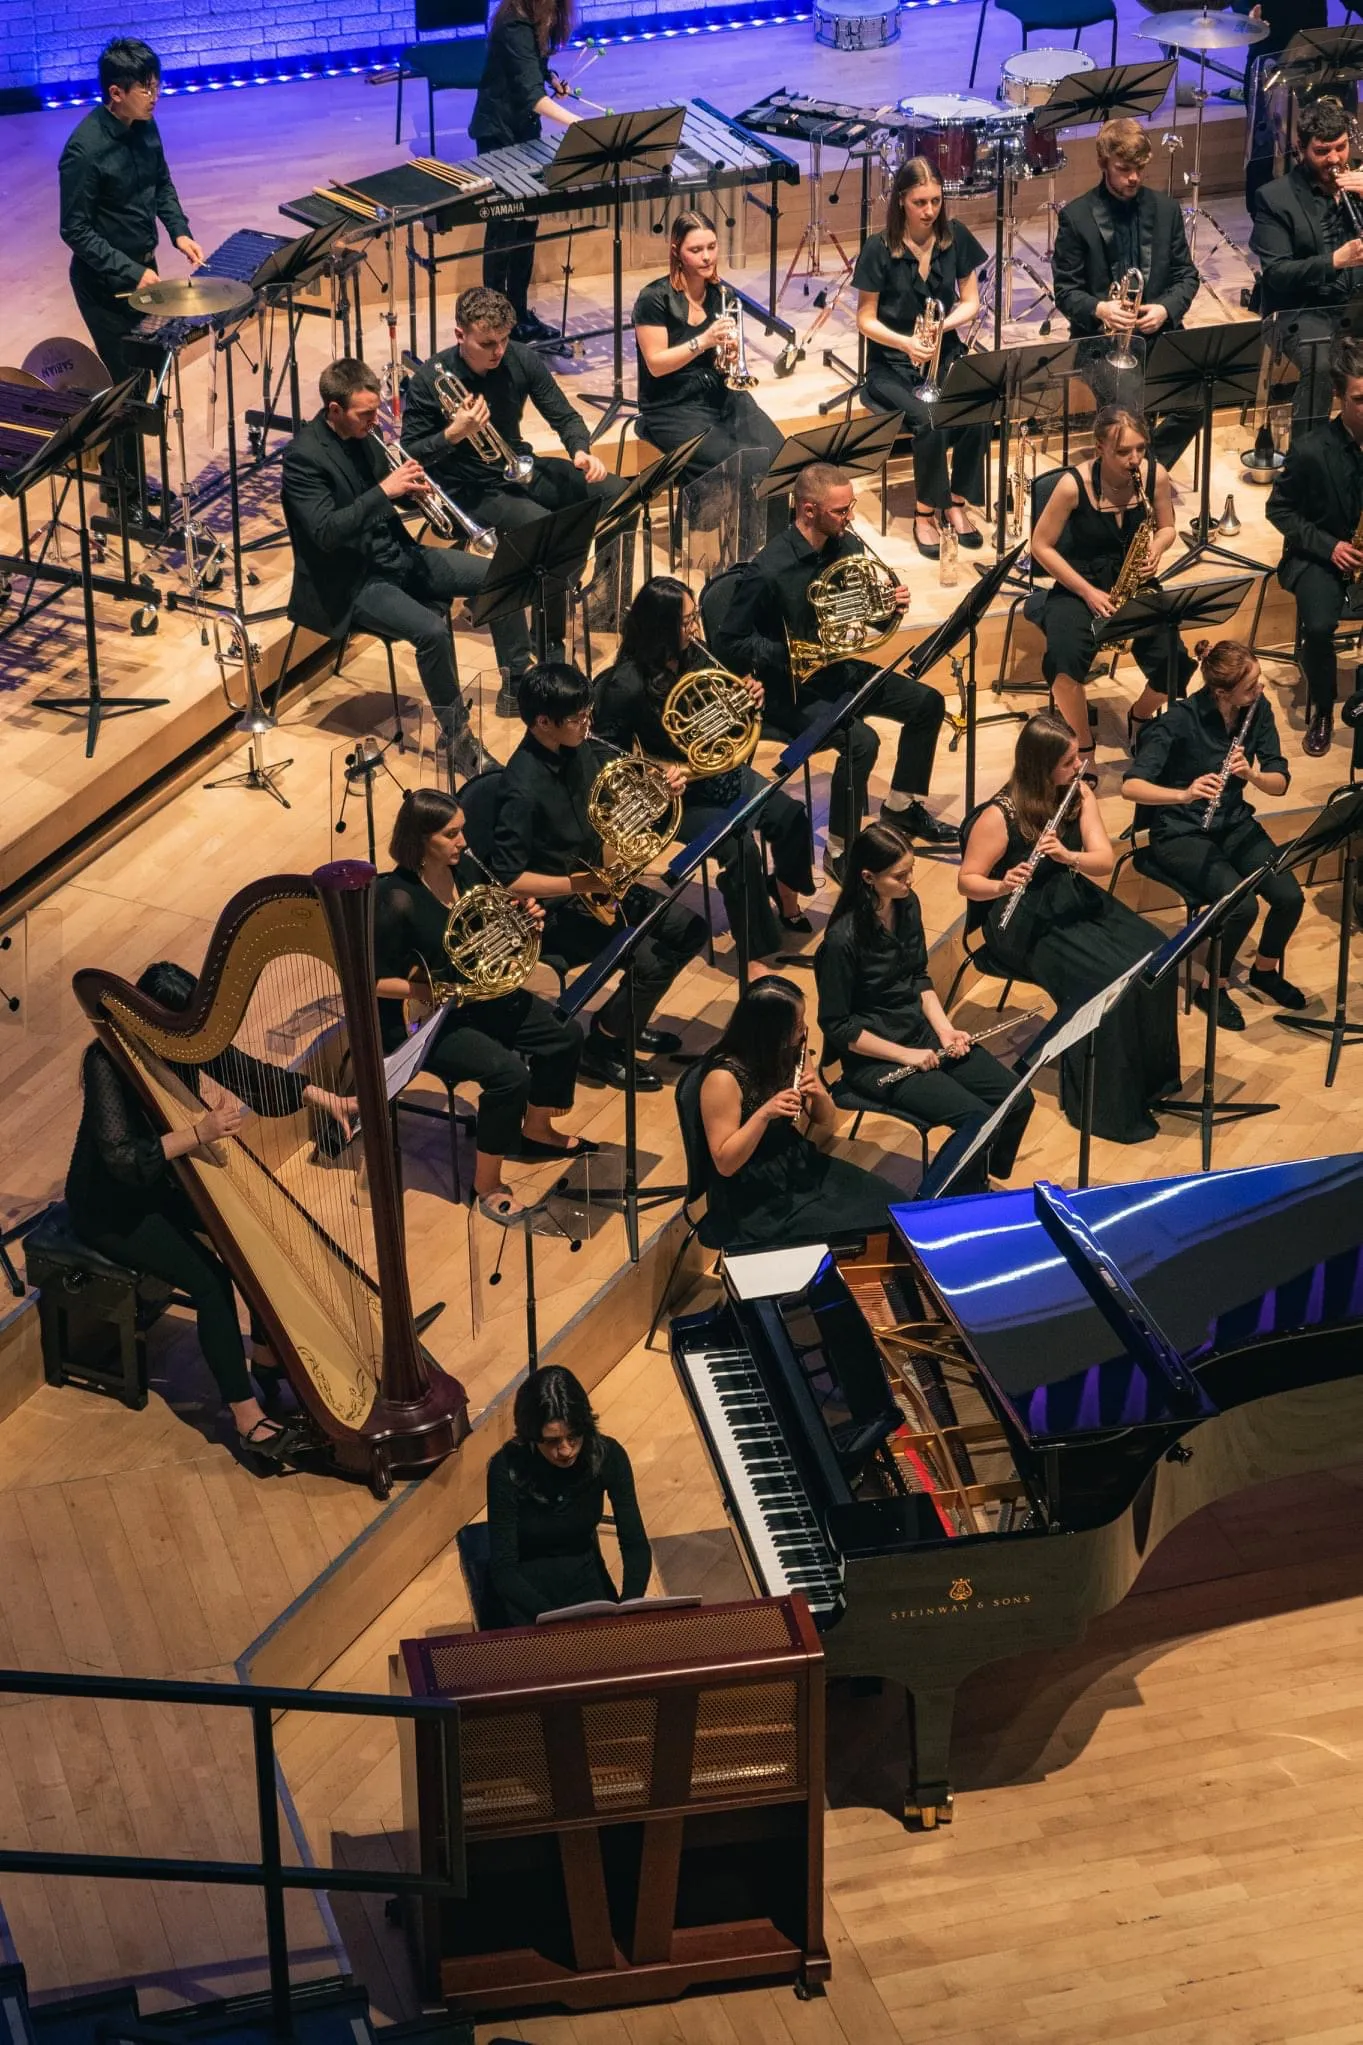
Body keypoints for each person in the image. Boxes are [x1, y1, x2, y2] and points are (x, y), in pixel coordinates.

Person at [65, 962, 354, 1468]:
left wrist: (322, 1096)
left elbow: (244, 1071)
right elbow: (121, 1159)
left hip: (165, 1180)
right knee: (211, 1281)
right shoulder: (105, 1063)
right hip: (112, 1203)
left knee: (262, 1241)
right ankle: (246, 1419)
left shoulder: (182, 1044)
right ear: (154, 1025)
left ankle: (267, 1360)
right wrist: (200, 1133)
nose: (193, 1048)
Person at [719, 462, 955, 881]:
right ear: (809, 510)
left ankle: (901, 806)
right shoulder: (768, 570)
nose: (850, 518)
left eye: (851, 508)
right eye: (840, 511)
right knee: (860, 741)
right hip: (788, 691)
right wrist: (791, 652)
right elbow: (730, 641)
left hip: (839, 669)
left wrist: (888, 611)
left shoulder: (847, 548)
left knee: (927, 702)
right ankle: (841, 848)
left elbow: (863, 620)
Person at [958, 712, 1180, 1144]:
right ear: (1039, 766)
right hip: (1019, 921)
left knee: (1155, 953)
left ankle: (1149, 1081)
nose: (1078, 766)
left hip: (1070, 894)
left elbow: (1102, 859)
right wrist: (1004, 882)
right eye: (1067, 761)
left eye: (1077, 757)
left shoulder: (1076, 795)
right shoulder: (999, 815)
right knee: (1107, 983)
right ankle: (1106, 1106)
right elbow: (967, 881)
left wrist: (1067, 856)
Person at [374, 787, 591, 1222]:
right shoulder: (394, 898)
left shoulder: (467, 872)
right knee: (509, 1076)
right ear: (421, 839)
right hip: (426, 1020)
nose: (463, 842)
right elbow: (367, 981)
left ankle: (536, 1129)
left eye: (463, 831)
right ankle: (486, 1183)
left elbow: (493, 928)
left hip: (478, 994)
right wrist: (427, 992)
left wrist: (526, 921)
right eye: (452, 834)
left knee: (565, 1032)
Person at [489, 663, 708, 1090]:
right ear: (542, 723)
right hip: (557, 915)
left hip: (601, 889)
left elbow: (619, 788)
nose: (587, 723)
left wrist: (662, 781)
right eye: (577, 718)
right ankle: (603, 1047)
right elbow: (509, 879)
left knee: (691, 931)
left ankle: (624, 1020)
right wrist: (581, 885)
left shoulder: (578, 745)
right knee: (650, 961)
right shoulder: (522, 788)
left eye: (588, 713)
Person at [401, 286, 632, 690]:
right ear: (460, 336)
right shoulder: (429, 381)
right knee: (547, 532)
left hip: (516, 466)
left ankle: (602, 603)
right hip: (468, 488)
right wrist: (454, 433)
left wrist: (580, 451)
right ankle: (542, 655)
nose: (498, 352)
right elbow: (412, 454)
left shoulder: (520, 357)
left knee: (616, 491)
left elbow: (563, 414)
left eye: (504, 340)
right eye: (487, 343)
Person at [280, 358, 491, 779]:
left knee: (496, 572)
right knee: (431, 631)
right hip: (353, 580)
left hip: (398, 556)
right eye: (365, 414)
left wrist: (412, 492)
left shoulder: (365, 434)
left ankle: (517, 675)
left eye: (376, 410)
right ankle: (459, 739)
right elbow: (325, 532)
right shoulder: (303, 459)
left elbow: (392, 482)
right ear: (334, 410)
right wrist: (385, 491)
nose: (375, 421)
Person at [592, 576, 815, 963]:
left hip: (720, 774)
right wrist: (657, 773)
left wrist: (746, 701)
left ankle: (784, 893)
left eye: (694, 617)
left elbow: (721, 715)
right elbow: (605, 756)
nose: (694, 627)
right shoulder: (625, 685)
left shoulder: (695, 653)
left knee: (791, 815)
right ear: (660, 626)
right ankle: (758, 957)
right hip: (674, 797)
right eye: (686, 621)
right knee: (740, 850)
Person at [816, 823, 1035, 1198]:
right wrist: (909, 1056)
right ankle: (929, 1205)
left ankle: (974, 1180)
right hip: (877, 1060)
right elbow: (838, 1026)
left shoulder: (906, 905)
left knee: (1018, 1099)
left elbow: (918, 975)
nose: (911, 881)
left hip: (923, 1034)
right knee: (975, 1117)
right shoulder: (841, 942)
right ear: (868, 877)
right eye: (900, 875)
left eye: (912, 869)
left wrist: (946, 1030)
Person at [1122, 640, 1305, 1029]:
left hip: (1233, 823)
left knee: (1289, 895)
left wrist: (1252, 775)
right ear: (1222, 692)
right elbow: (1131, 787)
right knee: (1242, 907)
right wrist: (1183, 793)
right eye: (1251, 686)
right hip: (1180, 833)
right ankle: (1213, 987)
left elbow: (1280, 783)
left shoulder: (1258, 712)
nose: (1261, 690)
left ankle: (1265, 971)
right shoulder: (1178, 721)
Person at [57, 37, 204, 503]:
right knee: (126, 385)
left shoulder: (146, 127)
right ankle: (121, 491)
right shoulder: (85, 150)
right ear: (116, 92)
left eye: (156, 84)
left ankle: (127, 478)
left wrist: (178, 231)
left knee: (147, 379)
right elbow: (74, 230)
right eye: (145, 87)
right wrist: (128, 270)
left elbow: (161, 183)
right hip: (103, 285)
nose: (155, 94)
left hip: (144, 272)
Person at [1028, 405, 1191, 772]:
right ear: (1099, 447)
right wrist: (1086, 591)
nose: (1135, 459)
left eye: (1140, 449)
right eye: (1123, 452)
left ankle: (1140, 716)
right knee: (1064, 661)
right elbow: (1040, 545)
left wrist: (1158, 546)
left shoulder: (1154, 476)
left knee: (1176, 661)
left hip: (1134, 581)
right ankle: (1082, 743)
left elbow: (1167, 527)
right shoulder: (1072, 485)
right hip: (1079, 582)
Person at [697, 974, 903, 1249]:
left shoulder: (790, 1050)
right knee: (860, 1232)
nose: (804, 1029)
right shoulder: (723, 1079)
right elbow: (725, 1163)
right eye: (796, 1025)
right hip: (754, 1192)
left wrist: (818, 1094)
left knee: (892, 1208)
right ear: (770, 1030)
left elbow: (825, 1118)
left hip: (798, 1162)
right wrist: (763, 1114)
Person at [854, 155, 988, 558]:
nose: (930, 211)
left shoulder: (955, 237)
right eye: (920, 203)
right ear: (901, 202)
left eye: (935, 201)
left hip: (942, 350)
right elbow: (865, 319)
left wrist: (940, 327)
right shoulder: (878, 249)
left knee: (978, 403)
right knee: (928, 418)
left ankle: (958, 501)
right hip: (891, 364)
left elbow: (971, 302)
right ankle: (926, 512)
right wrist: (906, 343)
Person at [1051, 118, 1202, 475]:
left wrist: (1165, 309)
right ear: (1104, 163)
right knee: (1126, 410)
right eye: (1124, 169)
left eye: (1139, 169)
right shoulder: (1076, 217)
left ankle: (1145, 472)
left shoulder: (1166, 210)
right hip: (1100, 343)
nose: (1133, 178)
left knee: (1197, 398)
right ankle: (1135, 475)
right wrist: (1101, 308)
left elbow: (1186, 275)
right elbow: (1066, 291)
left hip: (1158, 336)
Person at [633, 210, 786, 541]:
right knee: (742, 464)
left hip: (720, 396)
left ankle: (771, 543)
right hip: (670, 407)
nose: (706, 257)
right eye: (696, 250)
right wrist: (703, 341)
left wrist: (729, 356)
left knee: (778, 453)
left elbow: (721, 361)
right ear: (676, 251)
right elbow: (656, 364)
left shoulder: (723, 295)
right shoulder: (654, 299)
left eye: (712, 247)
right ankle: (733, 546)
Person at [485, 1366, 651, 1626]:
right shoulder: (506, 1467)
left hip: (583, 1571)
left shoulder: (609, 1455)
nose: (565, 1450)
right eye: (552, 1441)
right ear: (531, 1436)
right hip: (524, 1585)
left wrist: (628, 1608)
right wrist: (557, 1621)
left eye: (574, 1436)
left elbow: (635, 1545)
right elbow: (504, 1569)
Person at [1265, 334, 1363, 756]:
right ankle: (1323, 706)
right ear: (1339, 396)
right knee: (1320, 627)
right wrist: (1330, 547)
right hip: (1318, 557)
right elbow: (1280, 511)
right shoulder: (1309, 450)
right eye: (1360, 399)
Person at [1251, 97, 1363, 435]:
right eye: (1322, 151)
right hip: (1299, 309)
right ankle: (1308, 456)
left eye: (1341, 148)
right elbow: (1278, 274)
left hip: (1356, 304)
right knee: (1321, 361)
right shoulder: (1274, 198)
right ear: (1301, 148)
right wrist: (1335, 261)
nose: (1335, 160)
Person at [468, 0, 578, 343]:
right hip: (498, 133)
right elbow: (531, 95)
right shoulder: (513, 23)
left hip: (524, 131)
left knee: (527, 223)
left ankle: (517, 313)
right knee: (503, 227)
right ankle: (493, 319)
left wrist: (552, 78)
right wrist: (579, 125)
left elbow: (532, 67)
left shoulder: (533, 16)